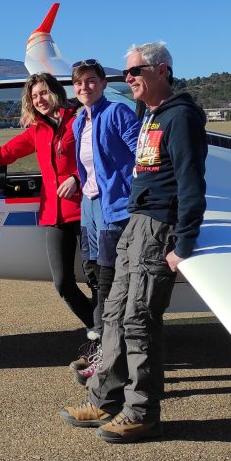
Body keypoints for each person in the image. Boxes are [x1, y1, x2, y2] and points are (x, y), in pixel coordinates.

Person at [59, 42, 207, 444]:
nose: (127, 79)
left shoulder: (181, 117)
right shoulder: (152, 115)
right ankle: (104, 399)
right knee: (112, 314)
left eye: (134, 72)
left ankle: (141, 412)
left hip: (158, 228)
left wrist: (185, 241)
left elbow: (192, 182)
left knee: (139, 321)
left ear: (161, 71)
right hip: (133, 224)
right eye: (125, 73)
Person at [0, 73, 95, 333]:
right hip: (54, 215)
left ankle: (108, 339)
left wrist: (76, 178)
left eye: (43, 93)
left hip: (87, 211)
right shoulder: (36, 131)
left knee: (97, 280)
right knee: (63, 282)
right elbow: (2, 155)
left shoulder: (79, 120)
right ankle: (98, 328)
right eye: (34, 96)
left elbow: (97, 156)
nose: (39, 100)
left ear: (55, 92)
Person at [70, 59, 140, 340]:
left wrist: (133, 192)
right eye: (79, 82)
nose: (84, 86)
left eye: (90, 81)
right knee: (93, 268)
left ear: (103, 84)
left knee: (110, 272)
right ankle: (101, 331)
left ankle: (111, 336)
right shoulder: (79, 121)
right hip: (89, 203)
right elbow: (86, 166)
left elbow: (141, 155)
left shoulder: (117, 112)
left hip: (114, 205)